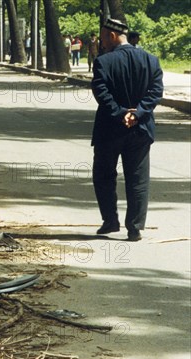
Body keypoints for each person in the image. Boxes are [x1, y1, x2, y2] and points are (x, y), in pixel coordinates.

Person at [90, 18, 163, 241]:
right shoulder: (151, 60)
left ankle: (110, 221)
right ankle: (135, 227)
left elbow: (101, 93)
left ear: (112, 36)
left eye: (103, 38)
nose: (102, 43)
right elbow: (156, 91)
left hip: (110, 129)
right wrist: (137, 113)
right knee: (138, 179)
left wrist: (121, 113)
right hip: (141, 129)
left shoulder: (103, 62)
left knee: (104, 175)